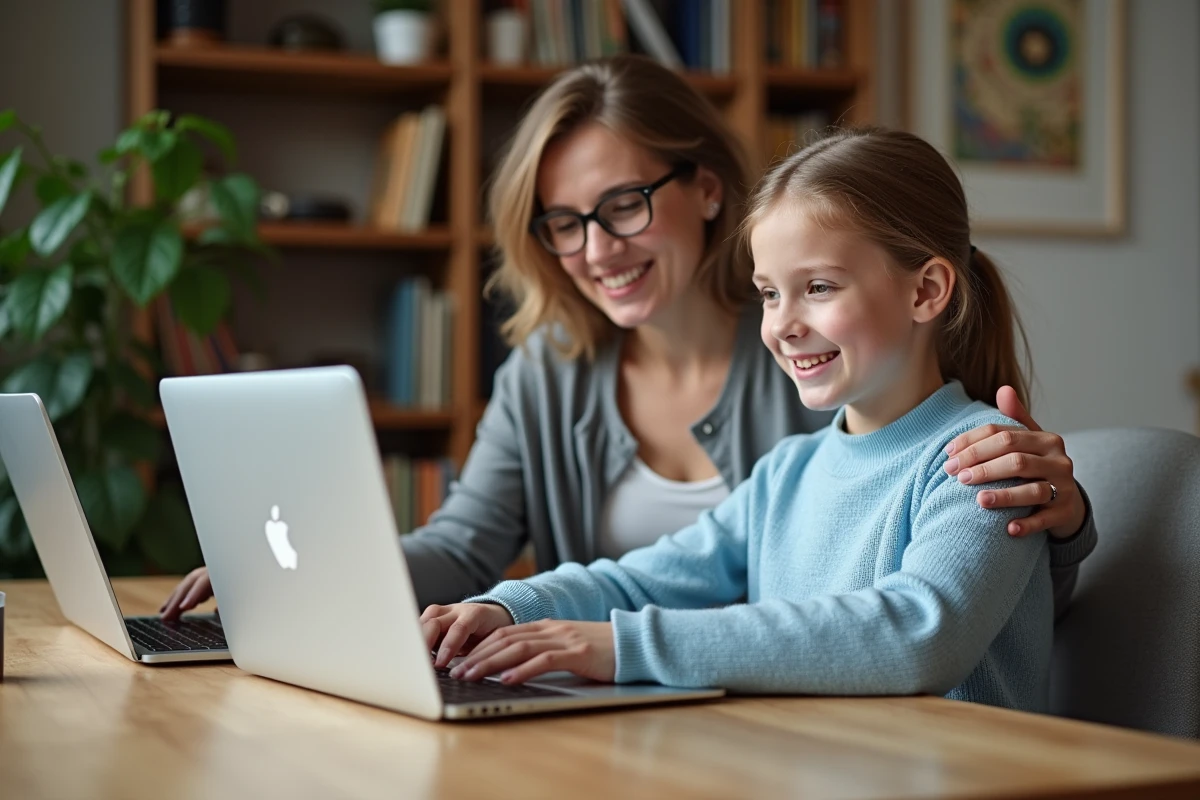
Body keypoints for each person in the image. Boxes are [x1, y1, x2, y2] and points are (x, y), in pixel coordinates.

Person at [160, 55, 1095, 622]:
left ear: (707, 189)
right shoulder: (546, 376)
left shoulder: (824, 352)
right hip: (626, 703)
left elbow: (967, 601)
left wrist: (1062, 531)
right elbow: (461, 548)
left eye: (623, 205)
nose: (596, 250)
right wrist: (306, 570)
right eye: (562, 222)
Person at [421, 127, 1059, 711]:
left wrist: (625, 647)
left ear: (925, 291)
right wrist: (510, 605)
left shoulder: (987, 459)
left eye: (819, 287)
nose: (781, 325)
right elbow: (648, 576)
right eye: (770, 293)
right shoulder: (789, 471)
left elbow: (917, 632)